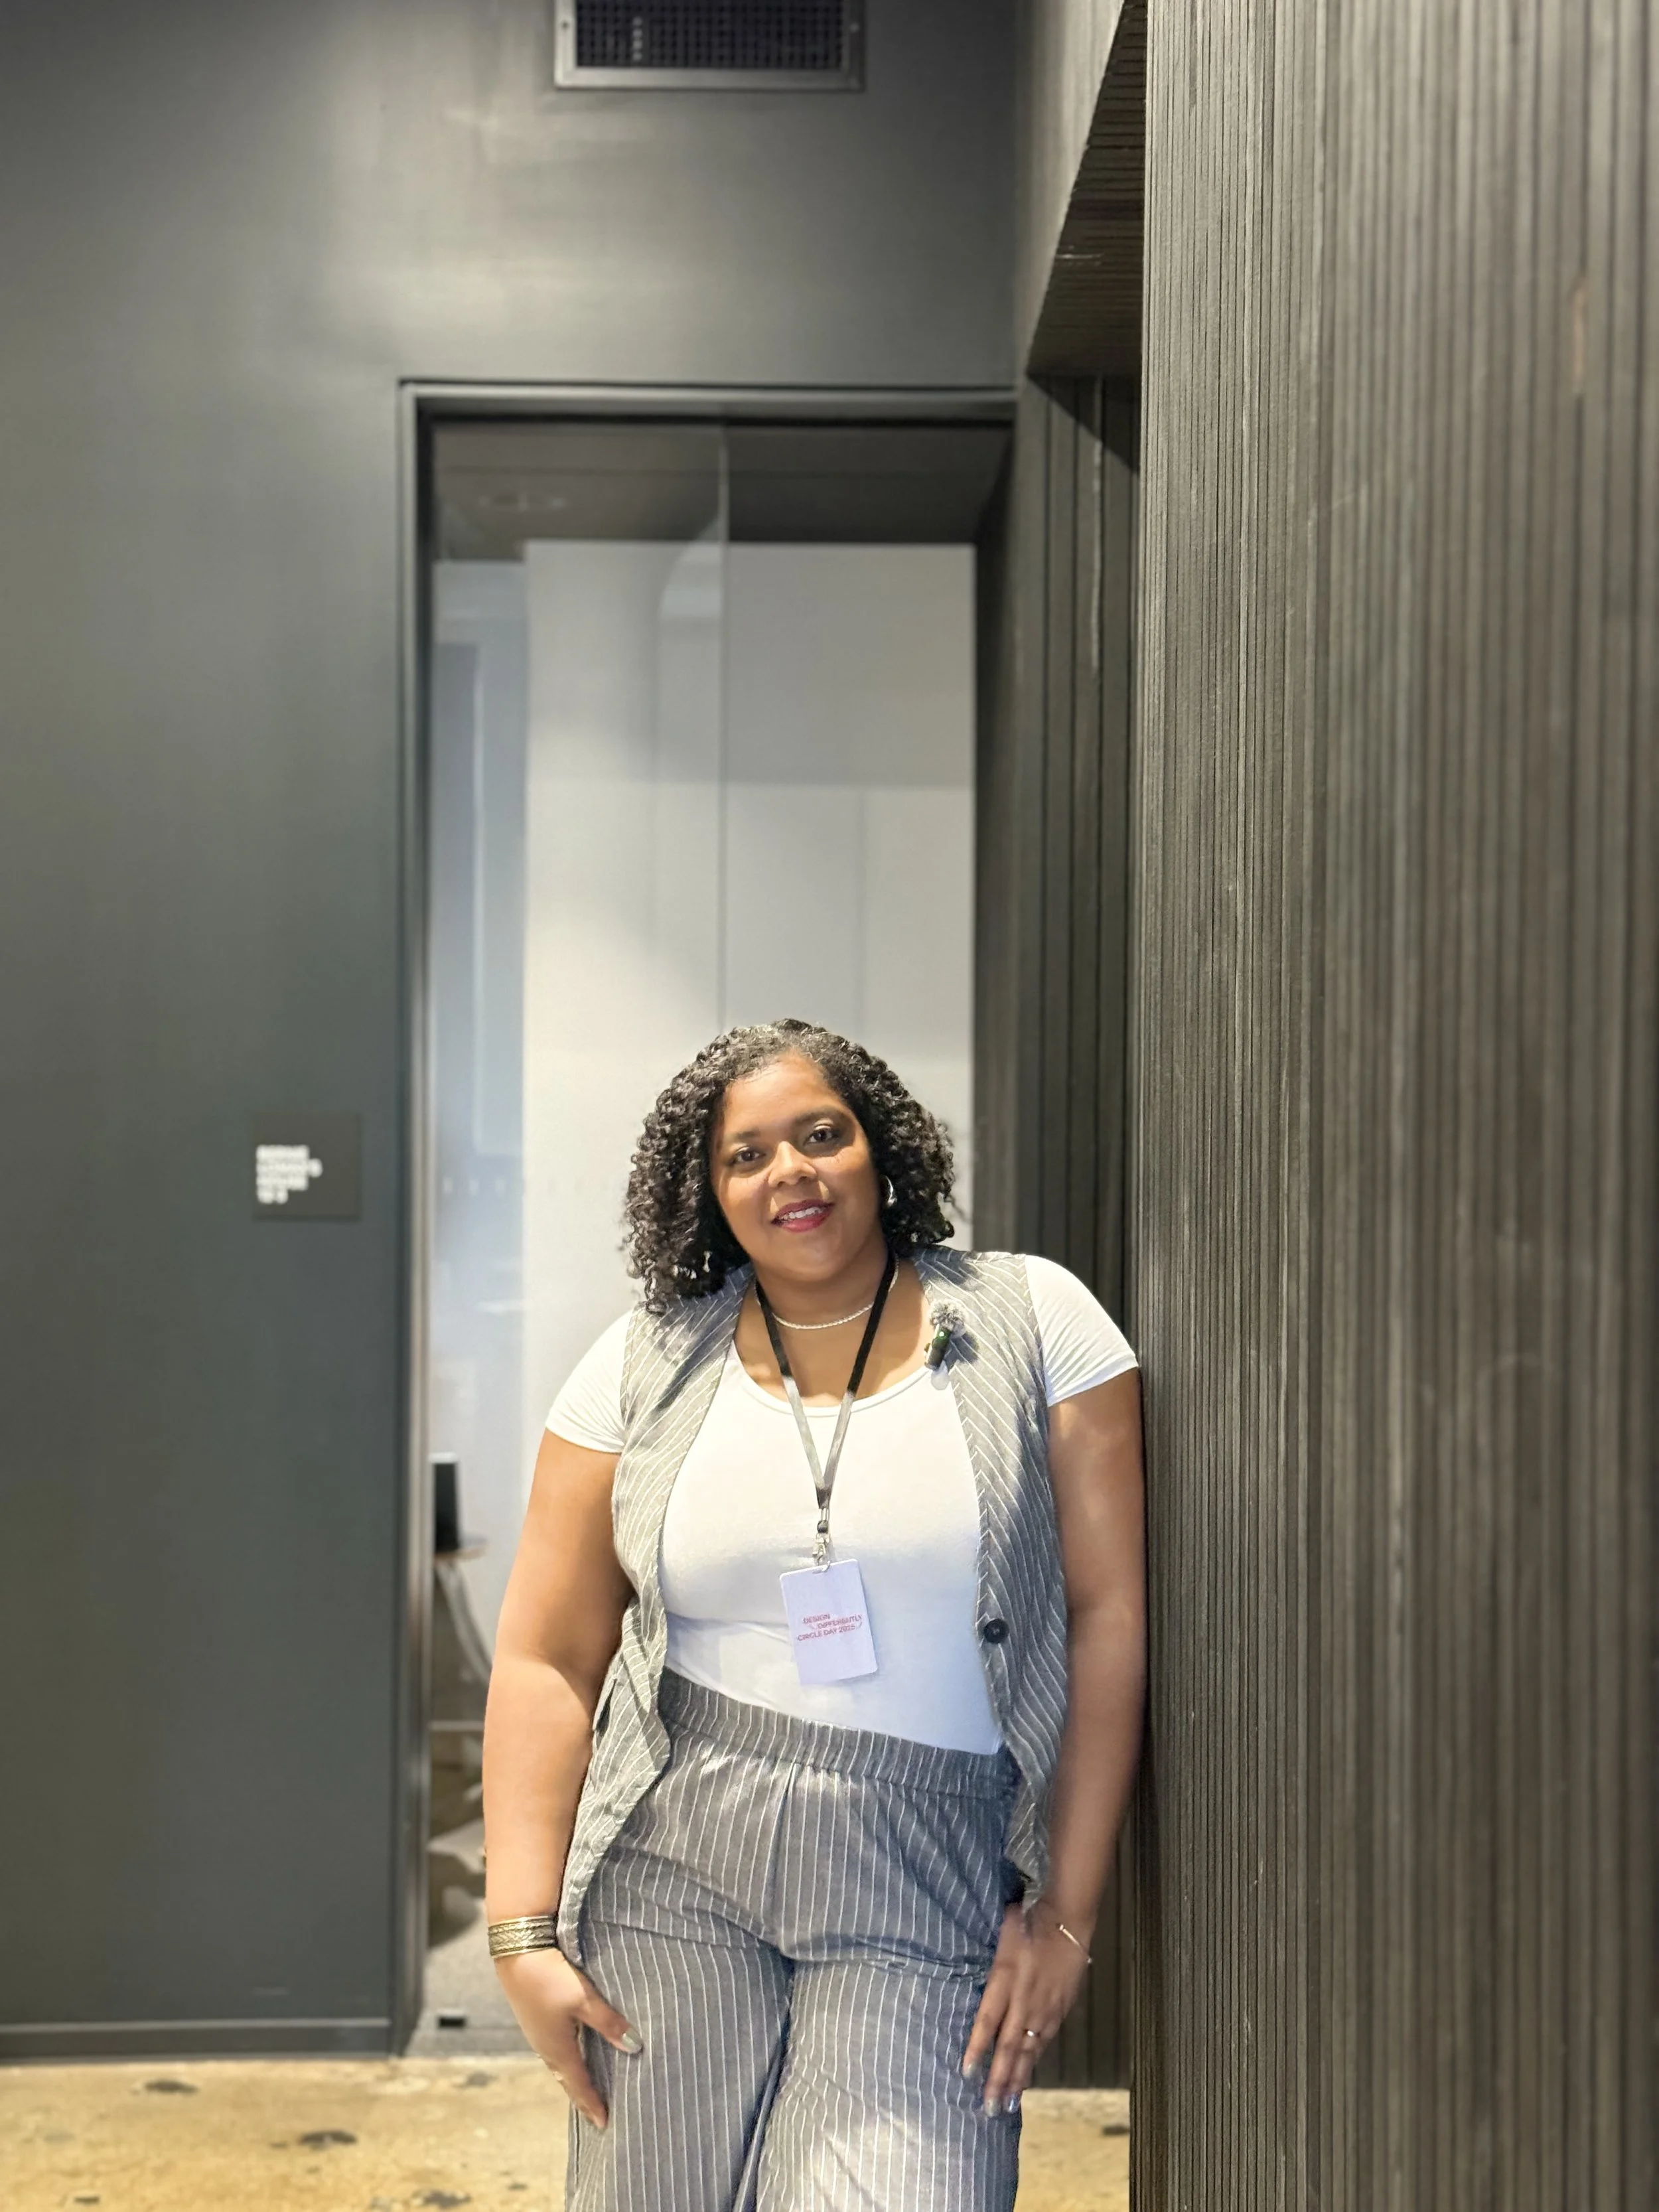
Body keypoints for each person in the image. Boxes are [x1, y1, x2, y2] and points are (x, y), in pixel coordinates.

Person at [481, 1020, 1146, 2211]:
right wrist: (520, 1933)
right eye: (745, 1156)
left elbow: (1107, 1618)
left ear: (880, 1151)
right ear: (710, 1195)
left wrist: (1070, 1918)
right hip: (675, 1852)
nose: (788, 1171)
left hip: (929, 1860)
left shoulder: (1035, 1319)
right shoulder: (641, 1363)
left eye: (820, 1135)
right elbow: (547, 1656)